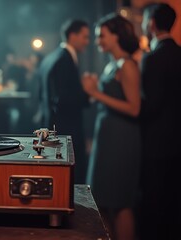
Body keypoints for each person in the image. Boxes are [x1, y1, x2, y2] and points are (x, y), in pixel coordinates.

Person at [81, 14, 141, 240]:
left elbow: (134, 108)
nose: (97, 41)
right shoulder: (112, 64)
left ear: (116, 36)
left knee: (120, 201)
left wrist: (95, 93)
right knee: (103, 201)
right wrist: (96, 91)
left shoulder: (127, 65)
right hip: (108, 135)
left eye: (101, 36)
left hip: (121, 137)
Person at [138, 3, 181, 240]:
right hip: (177, 141)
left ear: (151, 23)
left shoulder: (153, 58)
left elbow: (150, 105)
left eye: (145, 20)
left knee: (153, 204)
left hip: (155, 141)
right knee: (173, 204)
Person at [39, 19, 90, 184]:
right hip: (66, 128)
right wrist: (88, 93)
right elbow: (62, 99)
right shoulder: (64, 59)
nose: (87, 42)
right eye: (85, 37)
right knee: (68, 180)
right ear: (72, 35)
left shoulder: (51, 57)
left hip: (53, 125)